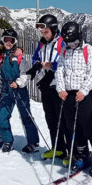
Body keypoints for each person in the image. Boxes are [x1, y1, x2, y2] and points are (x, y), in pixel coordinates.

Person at [55, 21, 92, 177]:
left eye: (73, 41)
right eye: (67, 41)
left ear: (79, 36)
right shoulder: (65, 51)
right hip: (68, 94)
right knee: (73, 126)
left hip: (84, 94)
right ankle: (83, 154)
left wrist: (84, 90)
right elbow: (59, 71)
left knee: (88, 125)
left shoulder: (88, 50)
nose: (71, 44)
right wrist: (61, 88)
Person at [27, 14, 69, 160]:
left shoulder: (62, 43)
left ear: (53, 29)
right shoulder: (42, 44)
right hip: (46, 86)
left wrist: (50, 66)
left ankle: (71, 150)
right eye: (42, 33)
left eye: (46, 32)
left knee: (62, 119)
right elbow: (35, 58)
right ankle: (57, 147)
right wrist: (36, 65)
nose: (44, 35)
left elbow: (67, 61)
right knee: (50, 118)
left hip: (59, 86)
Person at [0, 29, 39, 153]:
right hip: (6, 90)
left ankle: (33, 142)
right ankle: (8, 141)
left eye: (11, 40)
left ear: (15, 42)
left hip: (19, 90)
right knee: (2, 117)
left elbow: (26, 74)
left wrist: (18, 83)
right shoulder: (1, 58)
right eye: (6, 40)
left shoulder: (20, 57)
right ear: (3, 41)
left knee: (26, 116)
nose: (8, 42)